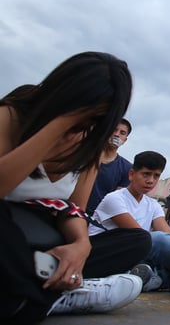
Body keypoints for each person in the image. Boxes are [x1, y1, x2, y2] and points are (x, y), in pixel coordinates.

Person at [1, 52, 146, 322]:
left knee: (137, 240)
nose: (86, 125)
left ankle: (49, 282)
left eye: (97, 119)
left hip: (47, 240)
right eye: (86, 114)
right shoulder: (12, 115)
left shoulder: (90, 144)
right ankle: (51, 295)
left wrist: (81, 246)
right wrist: (58, 125)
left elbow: (73, 209)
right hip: (8, 228)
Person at [90, 151, 170, 292]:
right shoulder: (114, 198)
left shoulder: (153, 204)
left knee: (169, 241)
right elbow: (138, 234)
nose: (151, 180)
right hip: (106, 251)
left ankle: (151, 278)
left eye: (156, 176)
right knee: (158, 240)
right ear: (131, 174)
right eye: (146, 174)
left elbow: (165, 229)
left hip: (136, 253)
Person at [85, 118, 133, 215]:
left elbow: (115, 200)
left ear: (125, 140)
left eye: (122, 133)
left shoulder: (127, 168)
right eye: (114, 130)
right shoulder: (85, 155)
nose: (117, 134)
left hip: (95, 218)